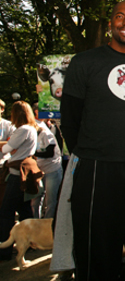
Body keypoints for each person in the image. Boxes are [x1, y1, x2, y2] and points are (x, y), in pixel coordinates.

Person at [60, 1, 125, 280]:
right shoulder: (84, 62)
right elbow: (70, 119)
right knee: (97, 252)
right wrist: (90, 153)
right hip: (97, 170)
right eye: (120, 17)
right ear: (111, 23)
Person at [0, 101, 39, 261]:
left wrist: (6, 145)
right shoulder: (30, 129)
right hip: (22, 173)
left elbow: (6, 149)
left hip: (18, 175)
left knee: (5, 212)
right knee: (24, 211)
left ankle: (4, 251)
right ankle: (31, 243)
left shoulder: (23, 130)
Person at [31, 103, 63, 219]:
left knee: (50, 200)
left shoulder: (44, 128)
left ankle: (47, 225)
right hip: (39, 168)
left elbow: (51, 151)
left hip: (51, 168)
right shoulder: (36, 125)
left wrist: (32, 153)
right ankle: (36, 224)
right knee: (37, 199)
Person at [0, 99, 15, 168]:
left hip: (3, 164)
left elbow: (11, 144)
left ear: (2, 109)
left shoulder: (9, 125)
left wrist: (7, 144)